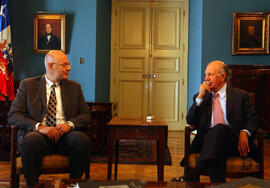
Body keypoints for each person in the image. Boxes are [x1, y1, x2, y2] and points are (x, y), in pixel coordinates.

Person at [8, 50, 91, 187]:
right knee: (30, 140)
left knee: (82, 140)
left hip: (65, 136)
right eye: (65, 65)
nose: (69, 68)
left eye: (68, 64)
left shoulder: (74, 87)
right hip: (39, 137)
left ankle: (73, 184)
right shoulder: (28, 85)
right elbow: (13, 115)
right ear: (51, 66)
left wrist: (69, 124)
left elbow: (86, 114)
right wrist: (40, 127)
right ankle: (33, 185)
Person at [172, 60, 260, 182]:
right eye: (205, 75)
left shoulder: (240, 96)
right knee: (218, 146)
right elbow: (190, 120)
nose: (206, 78)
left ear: (223, 76)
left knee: (220, 129)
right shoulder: (202, 97)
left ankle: (194, 174)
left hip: (234, 143)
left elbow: (253, 119)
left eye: (210, 75)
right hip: (207, 142)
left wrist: (244, 132)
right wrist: (199, 98)